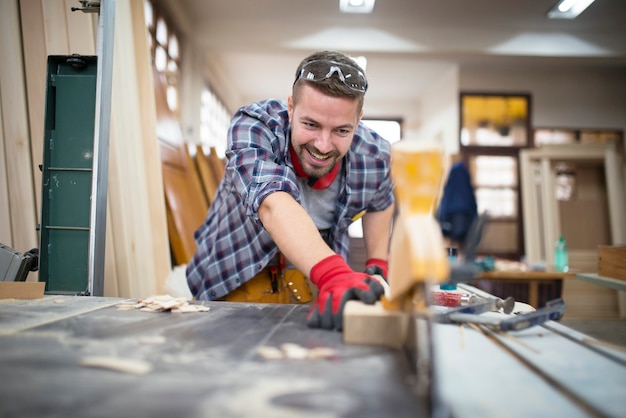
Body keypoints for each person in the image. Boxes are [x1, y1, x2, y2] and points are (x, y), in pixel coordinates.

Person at [186, 50, 395, 331]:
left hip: (314, 280)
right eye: (311, 124)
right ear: (291, 108)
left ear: (358, 121)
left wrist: (377, 263)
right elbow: (272, 203)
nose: (323, 145)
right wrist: (334, 273)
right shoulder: (254, 126)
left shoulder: (376, 154)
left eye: (341, 131)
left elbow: (381, 201)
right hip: (233, 272)